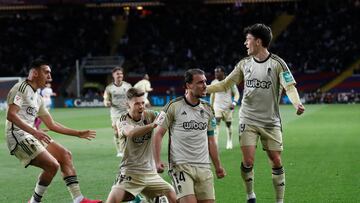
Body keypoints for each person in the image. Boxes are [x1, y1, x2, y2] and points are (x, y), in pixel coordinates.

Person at [207, 23, 305, 203]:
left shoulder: (278, 63)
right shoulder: (244, 64)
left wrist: (297, 104)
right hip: (248, 119)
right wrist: (202, 89)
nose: (245, 43)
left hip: (270, 121)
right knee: (248, 160)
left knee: (276, 160)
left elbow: (289, 87)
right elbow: (224, 84)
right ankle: (250, 195)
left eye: (248, 39)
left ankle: (279, 201)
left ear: (258, 42)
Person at [5, 59, 101, 203]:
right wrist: (34, 131)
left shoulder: (38, 97)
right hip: (18, 136)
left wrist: (78, 133)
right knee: (52, 165)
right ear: (34, 73)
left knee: (65, 155)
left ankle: (79, 199)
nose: (50, 76)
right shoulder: (21, 88)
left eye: (50, 72)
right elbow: (11, 115)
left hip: (31, 134)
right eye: (46, 72)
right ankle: (34, 201)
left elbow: (52, 124)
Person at [154, 69, 226, 203]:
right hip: (180, 165)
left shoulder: (208, 109)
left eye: (205, 82)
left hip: (204, 166)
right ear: (188, 85)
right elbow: (158, 134)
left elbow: (211, 141)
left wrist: (218, 166)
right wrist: (157, 161)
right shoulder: (173, 106)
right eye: (200, 82)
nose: (205, 85)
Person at [106, 87, 176, 203]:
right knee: (112, 201)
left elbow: (164, 116)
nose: (141, 106)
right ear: (127, 104)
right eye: (137, 103)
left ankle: (143, 200)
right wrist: (152, 125)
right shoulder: (123, 120)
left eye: (143, 103)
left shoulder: (149, 115)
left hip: (150, 172)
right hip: (130, 172)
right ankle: (139, 199)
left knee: (172, 195)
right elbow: (130, 133)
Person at [103, 66, 132, 157]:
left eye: (121, 73)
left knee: (125, 131)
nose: (120, 75)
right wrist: (107, 103)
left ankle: (124, 150)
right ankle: (119, 151)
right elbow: (105, 99)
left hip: (126, 112)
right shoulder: (109, 88)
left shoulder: (128, 86)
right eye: (117, 74)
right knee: (116, 132)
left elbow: (133, 97)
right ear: (113, 75)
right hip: (115, 112)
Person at [210, 65, 240, 149]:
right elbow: (212, 96)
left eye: (218, 72)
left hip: (228, 108)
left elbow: (237, 94)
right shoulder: (214, 82)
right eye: (215, 72)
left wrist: (234, 103)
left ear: (223, 73)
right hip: (217, 107)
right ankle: (215, 143)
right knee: (216, 124)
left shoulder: (230, 82)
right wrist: (211, 107)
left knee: (228, 124)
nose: (216, 73)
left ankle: (229, 140)